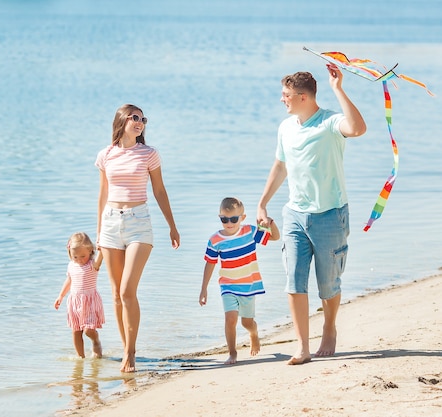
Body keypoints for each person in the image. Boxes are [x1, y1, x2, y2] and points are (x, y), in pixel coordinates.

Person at [257, 65, 367, 365]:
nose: (282, 100)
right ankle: (303, 346)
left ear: (304, 97)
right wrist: (262, 203)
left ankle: (329, 328)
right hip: (294, 214)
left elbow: (357, 129)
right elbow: (280, 166)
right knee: (294, 279)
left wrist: (338, 88)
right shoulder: (286, 127)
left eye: (287, 95)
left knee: (329, 285)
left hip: (330, 214)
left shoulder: (331, 121)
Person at [95, 104, 180, 373]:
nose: (141, 122)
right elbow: (102, 196)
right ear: (122, 120)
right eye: (135, 118)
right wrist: (99, 234)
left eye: (143, 119)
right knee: (116, 295)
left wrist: (172, 226)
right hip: (110, 223)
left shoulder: (149, 154)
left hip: (139, 223)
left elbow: (159, 191)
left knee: (127, 291)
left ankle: (131, 353)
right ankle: (125, 349)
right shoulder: (105, 155)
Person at [199, 197, 280, 365]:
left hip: (248, 286)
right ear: (220, 217)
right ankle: (232, 352)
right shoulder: (215, 240)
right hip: (228, 286)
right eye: (224, 219)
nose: (229, 223)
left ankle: (254, 334)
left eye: (234, 219)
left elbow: (275, 237)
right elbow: (210, 263)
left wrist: (270, 222)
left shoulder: (250, 232)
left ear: (242, 218)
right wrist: (204, 289)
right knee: (230, 319)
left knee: (247, 322)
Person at [54, 232, 105, 359]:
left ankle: (95, 340)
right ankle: (80, 358)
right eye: (75, 256)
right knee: (76, 331)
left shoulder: (92, 265)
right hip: (74, 302)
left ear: (90, 251)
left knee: (88, 330)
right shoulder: (71, 265)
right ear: (70, 254)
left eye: (83, 256)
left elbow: (100, 258)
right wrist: (61, 296)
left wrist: (102, 248)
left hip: (89, 302)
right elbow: (69, 281)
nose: (80, 259)